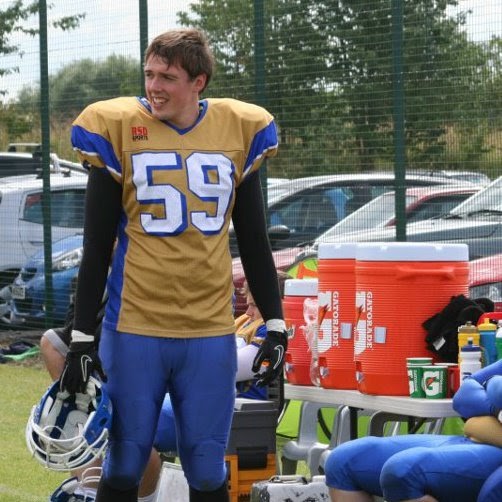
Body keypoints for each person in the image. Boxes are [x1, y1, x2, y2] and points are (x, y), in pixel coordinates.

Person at [59, 27, 287, 502]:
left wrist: (278, 322)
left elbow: (254, 241)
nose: (154, 86)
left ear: (198, 82)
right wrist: (83, 336)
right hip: (135, 326)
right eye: (149, 73)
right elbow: (96, 246)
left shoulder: (237, 129)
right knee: (123, 462)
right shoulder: (116, 126)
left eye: (168, 76)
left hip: (208, 330)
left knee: (207, 468)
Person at [324, 359, 502, 502]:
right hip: (473, 439)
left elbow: (494, 388)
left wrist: (492, 391)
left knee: (403, 470)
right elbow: (464, 395)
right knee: (343, 460)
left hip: (495, 452)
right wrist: (495, 409)